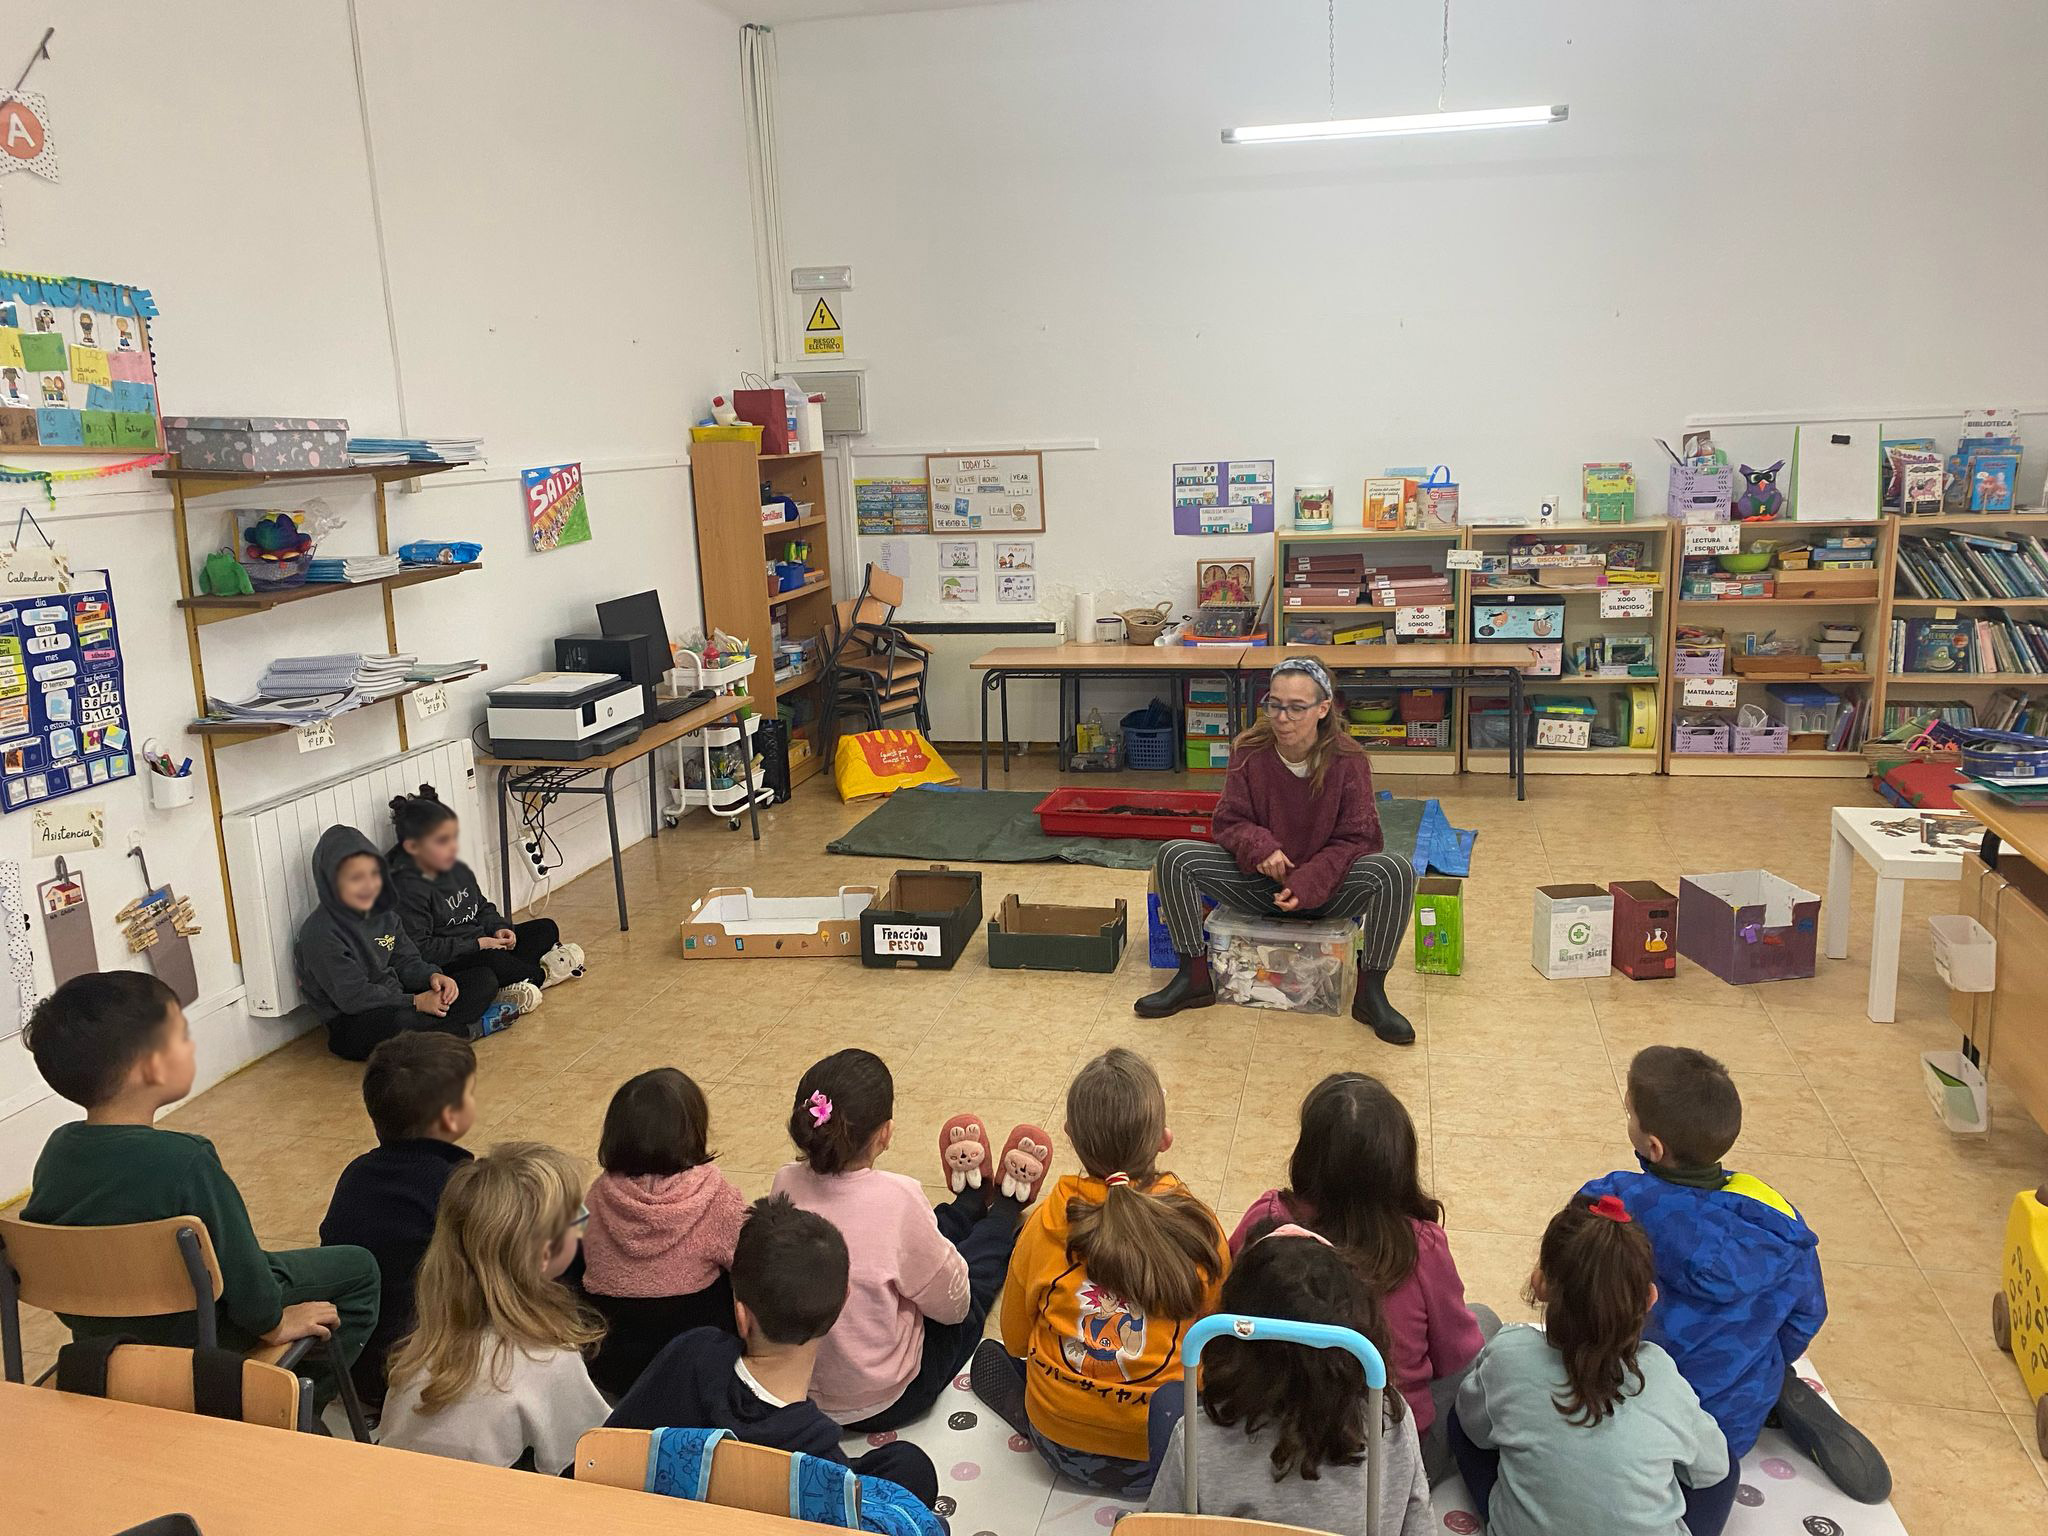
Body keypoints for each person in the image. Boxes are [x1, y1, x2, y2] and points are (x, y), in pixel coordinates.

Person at [20, 971, 378, 1404]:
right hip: (202, 1336)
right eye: (182, 1036)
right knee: (358, 1267)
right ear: (151, 1066)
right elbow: (249, 1282)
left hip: (100, 1340)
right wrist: (274, 1325)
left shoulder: (56, 1153)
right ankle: (282, 1403)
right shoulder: (186, 1159)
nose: (191, 1046)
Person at [1581, 1046, 1890, 1504]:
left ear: (1654, 1147)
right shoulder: (1778, 1223)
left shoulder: (1613, 1199)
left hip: (1627, 1418)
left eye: (1630, 1113)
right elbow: (1807, 1315)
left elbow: (1571, 1273)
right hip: (1728, 1429)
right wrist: (1754, 1360)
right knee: (1760, 1363)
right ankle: (1771, 1388)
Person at [972, 1048, 1228, 1494]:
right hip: (1167, 1454)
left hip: (1060, 1447)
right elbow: (1220, 1346)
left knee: (1002, 1355)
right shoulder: (1199, 1227)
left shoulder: (1044, 1221)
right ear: (1164, 1138)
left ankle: (1029, 1411)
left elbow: (1015, 1337)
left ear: (1070, 1136)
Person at [1136, 655, 1420, 1043]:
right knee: (1174, 856)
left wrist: (1309, 881)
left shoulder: (1349, 760)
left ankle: (1372, 993)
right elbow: (1228, 822)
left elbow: (1360, 839)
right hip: (1259, 885)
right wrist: (1261, 847)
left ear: (1323, 708)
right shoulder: (1250, 750)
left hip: (1326, 892)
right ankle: (1194, 977)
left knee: (1395, 871)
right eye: (1274, 704)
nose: (1282, 717)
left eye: (1296, 708)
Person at [1229, 1071, 1494, 1483]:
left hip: (1267, 1440)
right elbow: (1454, 1355)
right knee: (1486, 1326)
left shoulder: (1266, 1221)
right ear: (1399, 1162)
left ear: (1307, 1156)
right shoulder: (1421, 1245)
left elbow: (1227, 1316)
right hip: (1384, 1459)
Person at [607, 1195, 942, 1510]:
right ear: (843, 1304)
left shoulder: (692, 1351)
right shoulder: (818, 1461)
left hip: (646, 1506)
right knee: (911, 1467)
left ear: (741, 1313)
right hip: (756, 1502)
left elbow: (613, 1439)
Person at [769, 1050, 1041, 1430]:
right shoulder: (898, 1196)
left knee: (914, 1238)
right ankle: (1004, 1212)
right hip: (892, 1398)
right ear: (885, 1133)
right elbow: (955, 1306)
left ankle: (969, 1203)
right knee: (969, 1281)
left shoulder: (784, 1182)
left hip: (806, 1396)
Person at [1449, 1196, 1730, 1536]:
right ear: (1649, 1299)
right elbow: (1713, 1469)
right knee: (1725, 1468)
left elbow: (1474, 1429)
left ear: (1540, 1284)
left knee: (1461, 1420)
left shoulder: (1510, 1353)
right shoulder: (1661, 1374)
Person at [1148, 1225, 1434, 1536]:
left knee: (1167, 1402)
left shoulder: (1197, 1439)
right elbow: (1418, 1527)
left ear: (1235, 1345)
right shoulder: (1390, 1423)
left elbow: (1159, 1530)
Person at [378, 1142, 607, 1473]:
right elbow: (593, 1456)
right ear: (544, 1254)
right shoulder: (548, 1359)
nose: (583, 1228)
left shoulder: (420, 1349)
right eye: (577, 1220)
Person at [318, 1031, 478, 1410]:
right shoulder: (459, 1185)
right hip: (419, 1369)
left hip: (350, 1363)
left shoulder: (356, 1172)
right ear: (451, 1117)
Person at [581, 1068, 747, 1397]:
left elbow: (575, 1248)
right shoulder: (717, 1195)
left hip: (614, 1366)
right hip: (696, 1361)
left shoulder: (597, 1195)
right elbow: (750, 1264)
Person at [294, 825, 510, 1061]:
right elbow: (354, 998)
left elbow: (407, 960)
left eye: (374, 874)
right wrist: (416, 1002)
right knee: (402, 1022)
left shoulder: (384, 913)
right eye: (356, 878)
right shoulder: (320, 933)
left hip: (399, 998)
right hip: (355, 1021)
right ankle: (466, 1030)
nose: (369, 885)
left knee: (483, 979)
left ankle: (441, 1033)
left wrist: (433, 978)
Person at [388, 784, 581, 1007]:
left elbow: (481, 907)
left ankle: (518, 979)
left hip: (484, 943)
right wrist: (478, 945)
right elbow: (422, 949)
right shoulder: (407, 888)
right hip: (458, 958)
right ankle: (540, 975)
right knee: (493, 964)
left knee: (545, 928)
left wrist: (499, 928)